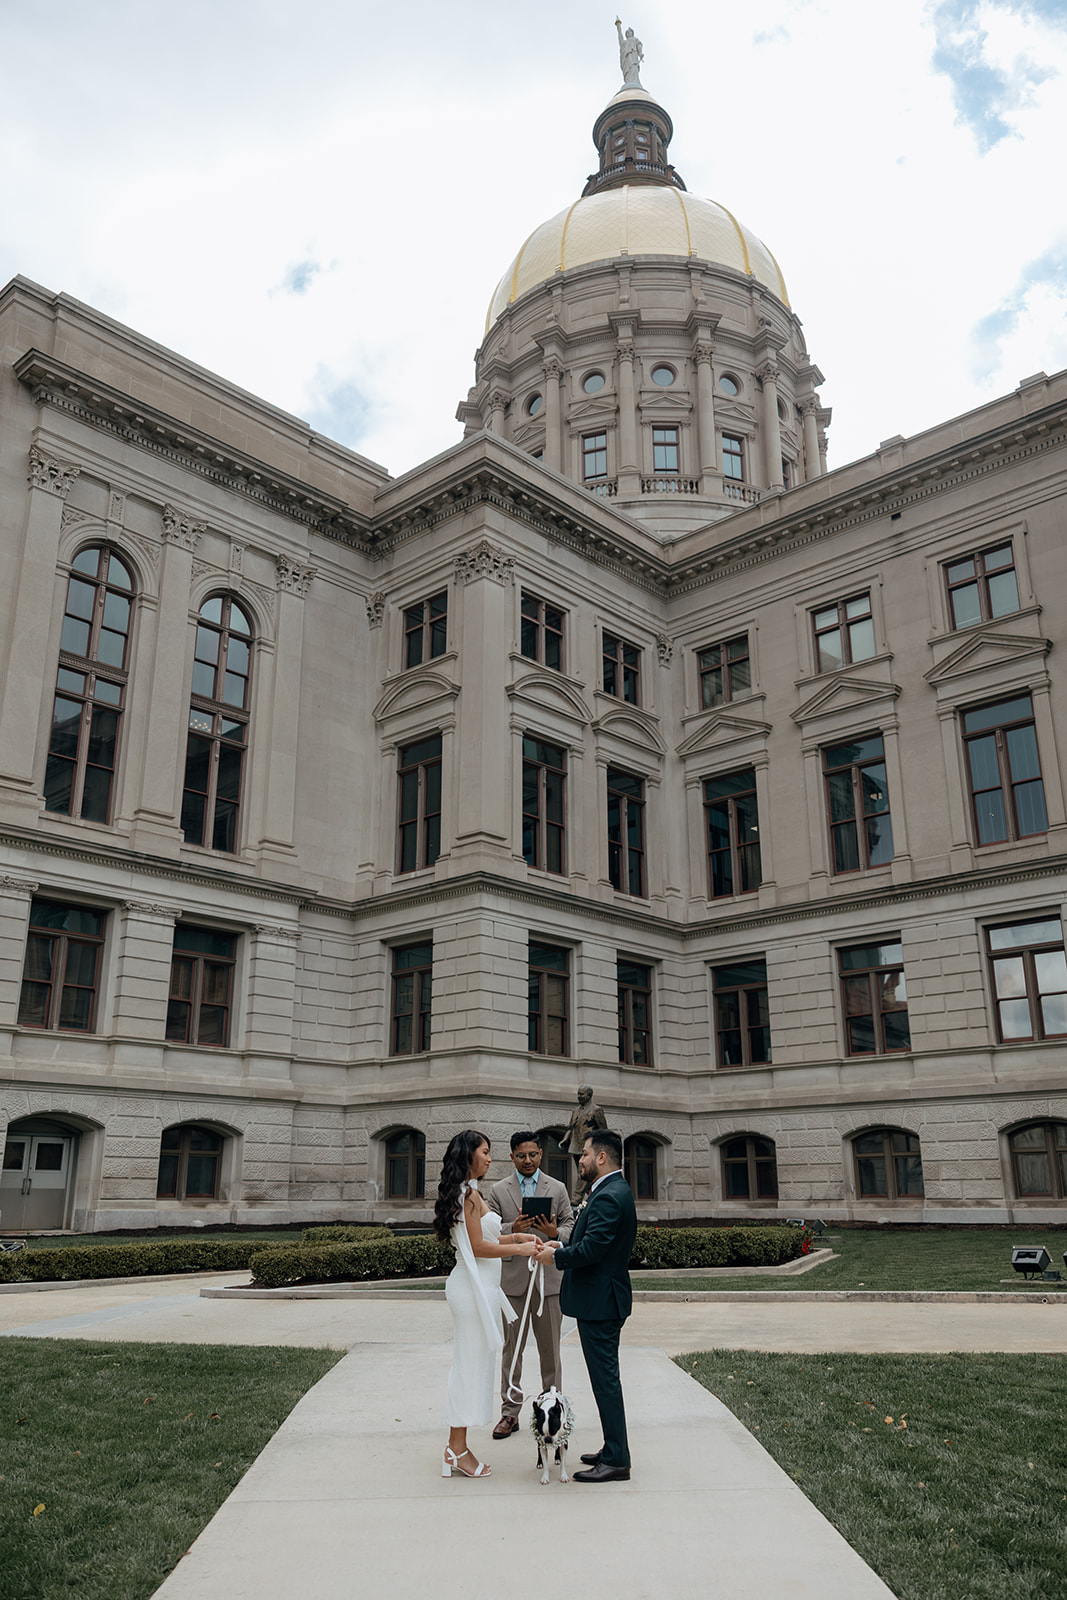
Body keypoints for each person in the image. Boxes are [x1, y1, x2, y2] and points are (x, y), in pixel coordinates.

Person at [432, 1129, 539, 1479]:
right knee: (467, 1369)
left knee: (474, 1369)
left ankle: (457, 1445)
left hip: (479, 1291)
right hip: (470, 1291)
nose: (490, 1158)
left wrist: (517, 1236)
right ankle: (456, 1449)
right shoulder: (467, 1196)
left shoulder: (470, 1193)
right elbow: (477, 1248)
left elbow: (487, 1237)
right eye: (485, 1152)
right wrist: (519, 1249)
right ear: (469, 1155)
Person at [537, 1128, 637, 1482]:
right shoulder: (608, 1191)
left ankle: (617, 1461)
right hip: (600, 1301)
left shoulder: (610, 1195)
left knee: (606, 1382)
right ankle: (612, 1449)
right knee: (603, 1381)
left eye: (584, 1154)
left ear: (602, 1158)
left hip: (602, 1302)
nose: (579, 1159)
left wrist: (556, 1257)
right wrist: (560, 1248)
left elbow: (594, 1249)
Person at [488, 1130, 575, 1439]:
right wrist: (514, 1228)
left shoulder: (559, 1188)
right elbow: (488, 1229)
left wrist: (555, 1232)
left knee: (551, 1352)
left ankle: (554, 1410)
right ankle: (509, 1413)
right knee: (512, 1351)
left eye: (533, 1155)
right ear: (512, 1157)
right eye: (521, 1155)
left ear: (541, 1154)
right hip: (513, 1283)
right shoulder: (498, 1190)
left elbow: (570, 1225)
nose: (528, 1160)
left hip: (549, 1281)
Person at [560, 1086, 607, 1197]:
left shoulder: (596, 1110)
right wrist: (565, 1139)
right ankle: (593, 1194)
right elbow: (571, 1128)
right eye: (578, 1094)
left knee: (583, 1171)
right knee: (584, 1174)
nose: (579, 1096)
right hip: (576, 1145)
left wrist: (601, 1146)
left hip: (589, 1147)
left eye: (582, 1094)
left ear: (589, 1095)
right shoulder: (575, 1110)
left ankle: (577, 1197)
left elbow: (603, 1130)